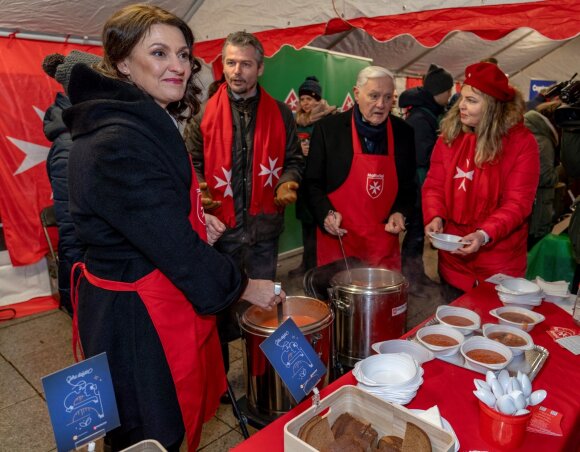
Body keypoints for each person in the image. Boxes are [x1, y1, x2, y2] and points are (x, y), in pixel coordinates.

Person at [62, 5, 284, 451]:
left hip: (152, 291)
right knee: (149, 431)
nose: (178, 66)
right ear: (122, 61)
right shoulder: (116, 140)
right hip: (135, 318)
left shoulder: (143, 120)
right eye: (160, 53)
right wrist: (243, 286)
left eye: (183, 55)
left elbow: (150, 217)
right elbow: (172, 246)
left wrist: (197, 223)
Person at [183, 31, 303, 376]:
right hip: (221, 231)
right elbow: (190, 164)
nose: (237, 71)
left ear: (260, 68)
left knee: (264, 304)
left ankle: (261, 371)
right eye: (231, 63)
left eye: (246, 64)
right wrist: (202, 193)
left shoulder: (281, 114)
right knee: (219, 308)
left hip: (265, 230)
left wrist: (288, 182)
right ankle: (220, 378)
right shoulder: (203, 114)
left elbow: (294, 158)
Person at [423, 62, 540, 301]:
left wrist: (483, 234)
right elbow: (434, 184)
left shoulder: (521, 143)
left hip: (499, 264)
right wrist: (435, 216)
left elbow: (518, 203)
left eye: (472, 101)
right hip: (453, 259)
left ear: (493, 107)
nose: (461, 106)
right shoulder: (450, 136)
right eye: (462, 98)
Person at [305, 66, 416, 269]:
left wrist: (400, 211)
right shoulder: (329, 130)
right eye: (373, 96)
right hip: (338, 240)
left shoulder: (404, 133)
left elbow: (409, 187)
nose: (381, 105)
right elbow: (312, 183)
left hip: (382, 243)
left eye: (388, 97)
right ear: (357, 93)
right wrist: (326, 214)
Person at [41, 50, 101, 315]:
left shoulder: (86, 132)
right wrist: (81, 296)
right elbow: (71, 231)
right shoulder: (68, 145)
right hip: (86, 275)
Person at [399, 64, 454, 291]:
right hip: (418, 185)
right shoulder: (422, 118)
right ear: (438, 92)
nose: (450, 94)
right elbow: (422, 156)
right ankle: (411, 279)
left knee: (418, 234)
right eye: (447, 90)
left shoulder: (427, 112)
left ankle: (416, 275)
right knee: (415, 234)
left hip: (420, 184)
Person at [289, 76, 336, 276]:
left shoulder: (329, 120)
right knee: (306, 224)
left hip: (321, 181)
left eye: (310, 98)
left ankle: (320, 265)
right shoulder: (297, 121)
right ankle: (306, 263)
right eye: (303, 99)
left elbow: (335, 151)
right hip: (302, 179)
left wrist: (315, 151)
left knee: (321, 224)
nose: (305, 103)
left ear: (318, 99)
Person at [524, 101, 562, 249]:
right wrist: (562, 170)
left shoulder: (530, 132)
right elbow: (544, 177)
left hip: (531, 208)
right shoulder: (543, 141)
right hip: (537, 208)